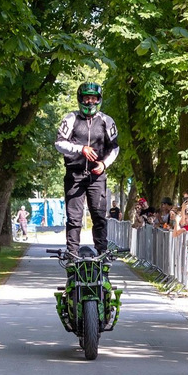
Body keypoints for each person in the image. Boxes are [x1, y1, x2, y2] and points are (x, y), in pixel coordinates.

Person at [54, 82, 119, 258]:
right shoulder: (71, 119)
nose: (90, 102)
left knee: (99, 216)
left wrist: (104, 164)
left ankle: (102, 253)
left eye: (93, 98)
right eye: (86, 98)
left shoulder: (107, 121)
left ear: (98, 100)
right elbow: (59, 143)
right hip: (74, 175)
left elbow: (115, 147)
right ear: (80, 99)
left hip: (97, 176)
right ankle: (72, 254)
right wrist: (80, 149)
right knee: (74, 218)